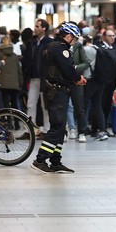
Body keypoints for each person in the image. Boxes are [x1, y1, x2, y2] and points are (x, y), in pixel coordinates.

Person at [30, 21, 87, 174]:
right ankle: (40, 159)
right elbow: (67, 69)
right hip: (58, 92)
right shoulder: (61, 49)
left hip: (53, 91)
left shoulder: (51, 46)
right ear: (68, 36)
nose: (74, 41)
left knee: (60, 128)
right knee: (57, 126)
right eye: (74, 38)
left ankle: (55, 161)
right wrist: (78, 78)